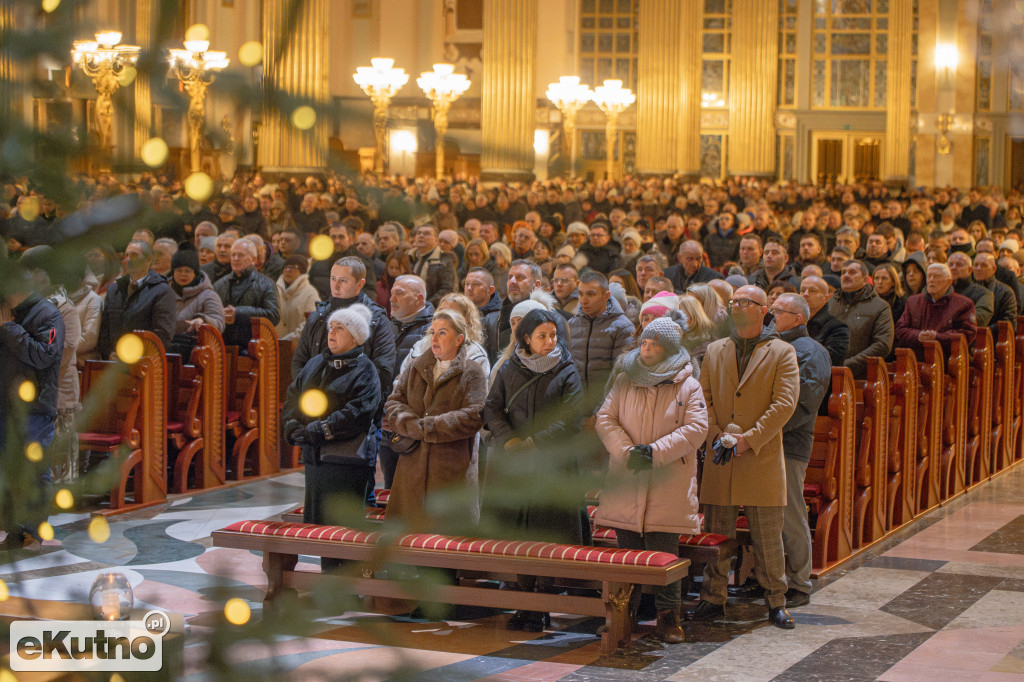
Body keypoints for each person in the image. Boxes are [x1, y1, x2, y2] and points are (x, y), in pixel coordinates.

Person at [685, 285, 800, 629]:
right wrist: (716, 434)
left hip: (760, 457)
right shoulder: (717, 349)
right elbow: (701, 396)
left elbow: (784, 404)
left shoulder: (782, 351)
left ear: (764, 309)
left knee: (767, 538)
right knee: (717, 536)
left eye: (745, 302)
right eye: (734, 301)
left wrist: (748, 440)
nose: (737, 306)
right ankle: (712, 598)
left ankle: (775, 601)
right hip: (721, 455)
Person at [595, 316, 708, 642]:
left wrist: (654, 453)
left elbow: (696, 429)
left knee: (664, 557)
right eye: (644, 342)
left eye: (653, 344)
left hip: (666, 481)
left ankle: (669, 617)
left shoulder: (688, 385)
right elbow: (606, 417)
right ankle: (622, 615)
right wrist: (627, 451)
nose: (645, 348)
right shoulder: (625, 378)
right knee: (626, 555)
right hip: (627, 474)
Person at [483, 308, 587, 633]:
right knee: (520, 534)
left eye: (553, 335)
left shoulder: (567, 369)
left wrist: (535, 442)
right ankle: (523, 602)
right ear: (526, 338)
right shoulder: (510, 368)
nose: (549, 341)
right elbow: (492, 407)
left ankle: (543, 604)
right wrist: (508, 439)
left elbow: (571, 416)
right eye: (542, 335)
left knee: (547, 533)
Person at [282, 304, 380, 560]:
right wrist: (292, 426)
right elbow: (294, 395)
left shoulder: (365, 369)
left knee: (342, 531)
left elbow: (358, 411)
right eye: (331, 328)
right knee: (320, 531)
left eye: (340, 328)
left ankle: (345, 588)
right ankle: (326, 587)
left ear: (356, 337)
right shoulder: (316, 363)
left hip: (346, 462)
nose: (332, 332)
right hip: (316, 459)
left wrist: (319, 430)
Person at [385, 309, 487, 525]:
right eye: (433, 332)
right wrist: (410, 424)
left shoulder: (472, 372)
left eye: (442, 332)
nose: (434, 338)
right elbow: (394, 403)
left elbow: (474, 415)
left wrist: (431, 427)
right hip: (411, 467)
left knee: (444, 543)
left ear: (459, 339)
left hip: (450, 470)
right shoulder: (415, 367)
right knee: (406, 542)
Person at [769, 293, 830, 608]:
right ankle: (770, 579)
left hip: (789, 444)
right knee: (768, 515)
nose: (771, 314)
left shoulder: (811, 351)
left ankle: (799, 583)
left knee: (790, 513)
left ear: (798, 318)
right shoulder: (769, 344)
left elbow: (803, 403)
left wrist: (767, 429)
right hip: (763, 442)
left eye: (778, 311)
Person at [0, 261, 63, 549]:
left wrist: (9, 328)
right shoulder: (9, 313)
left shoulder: (48, 314)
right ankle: (14, 530)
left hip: (34, 409)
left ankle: (32, 533)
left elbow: (42, 356)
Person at [97, 240, 176, 358]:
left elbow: (162, 335)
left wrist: (131, 355)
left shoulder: (162, 291)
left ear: (148, 259)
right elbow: (104, 331)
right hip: (112, 362)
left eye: (134, 255)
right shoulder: (114, 289)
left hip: (144, 362)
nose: (128, 259)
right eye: (126, 255)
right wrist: (108, 353)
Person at [568, 271, 634, 395]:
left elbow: (621, 375)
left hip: (606, 407)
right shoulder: (571, 324)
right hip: (576, 406)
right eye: (580, 294)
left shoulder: (623, 327)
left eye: (591, 294)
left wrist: (602, 411)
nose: (583, 300)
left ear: (606, 296)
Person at [894, 263, 978, 358]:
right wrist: (918, 335)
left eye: (936, 276)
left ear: (948, 282)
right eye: (929, 276)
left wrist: (937, 337)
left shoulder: (963, 304)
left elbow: (967, 334)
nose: (931, 280)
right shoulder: (913, 301)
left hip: (949, 359)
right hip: (916, 359)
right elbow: (900, 329)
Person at [828, 260, 894, 379]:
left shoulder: (880, 306)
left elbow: (882, 345)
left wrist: (849, 364)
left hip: (861, 375)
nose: (846, 275)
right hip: (828, 372)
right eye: (843, 273)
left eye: (852, 272)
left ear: (865, 280)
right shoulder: (830, 303)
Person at [213, 239, 281, 350]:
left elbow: (274, 315)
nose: (235, 259)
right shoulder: (219, 284)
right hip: (222, 347)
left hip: (253, 349)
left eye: (240, 255)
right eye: (233, 255)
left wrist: (239, 313)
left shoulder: (266, 284)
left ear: (253, 259)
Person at [168, 248, 225, 358]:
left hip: (197, 352)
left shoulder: (208, 295)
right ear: (173, 272)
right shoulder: (164, 292)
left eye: (188, 271)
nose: (183, 274)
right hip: (167, 345)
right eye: (179, 270)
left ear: (195, 273)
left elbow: (219, 323)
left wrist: (203, 320)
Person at [410, 224, 458, 305]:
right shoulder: (408, 257)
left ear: (436, 240)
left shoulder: (445, 260)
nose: (421, 236)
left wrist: (425, 305)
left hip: (432, 310)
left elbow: (447, 290)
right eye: (419, 233)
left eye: (426, 233)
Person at [275, 255, 319, 342]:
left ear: (302, 272)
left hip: (299, 346)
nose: (288, 270)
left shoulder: (310, 293)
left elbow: (311, 323)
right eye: (286, 267)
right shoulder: (274, 290)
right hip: (274, 345)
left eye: (294, 267)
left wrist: (290, 339)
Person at [972, 252, 1017, 332]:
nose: (978, 268)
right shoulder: (967, 290)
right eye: (976, 265)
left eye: (984, 265)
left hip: (993, 338)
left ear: (994, 269)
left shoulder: (1005, 292)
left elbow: (1009, 322)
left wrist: (983, 332)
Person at [948, 252, 994, 328]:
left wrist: (948, 317)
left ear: (970, 270)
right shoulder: (938, 290)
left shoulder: (983, 293)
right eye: (950, 265)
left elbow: (979, 319)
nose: (953, 268)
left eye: (959, 265)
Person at [872, 263, 908, 328]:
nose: (880, 282)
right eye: (876, 278)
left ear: (893, 282)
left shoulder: (903, 302)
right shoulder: (869, 300)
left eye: (884, 278)